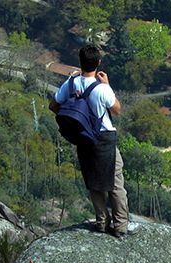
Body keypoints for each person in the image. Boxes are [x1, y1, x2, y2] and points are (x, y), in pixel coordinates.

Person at [49, 45, 131, 238]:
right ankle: (120, 226)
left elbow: (53, 106)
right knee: (115, 181)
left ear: (80, 62)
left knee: (93, 181)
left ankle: (101, 222)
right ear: (98, 63)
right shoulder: (102, 89)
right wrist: (108, 85)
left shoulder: (70, 84)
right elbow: (117, 110)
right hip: (104, 137)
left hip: (82, 136)